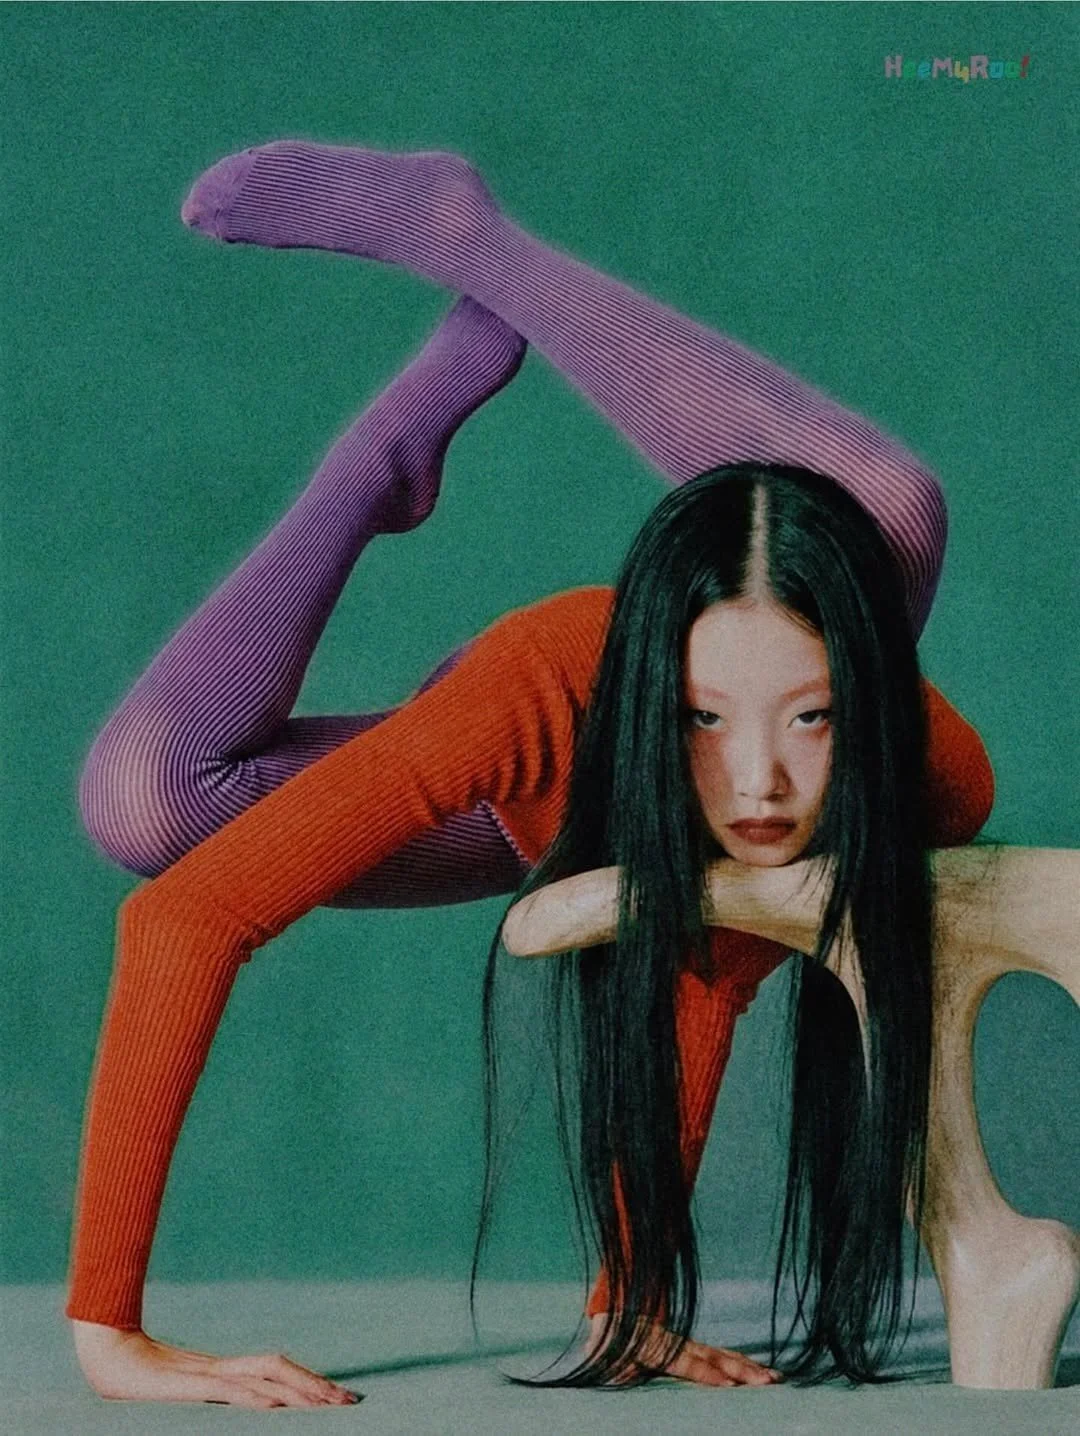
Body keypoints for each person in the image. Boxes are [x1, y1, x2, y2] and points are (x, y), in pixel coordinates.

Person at [68, 141, 994, 1408]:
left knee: (875, 520)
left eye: (815, 719)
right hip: (539, 769)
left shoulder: (937, 781)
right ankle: (401, 412)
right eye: (703, 719)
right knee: (889, 499)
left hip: (621, 789)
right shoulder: (544, 683)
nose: (762, 781)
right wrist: (108, 1327)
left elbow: (706, 972)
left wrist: (633, 1300)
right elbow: (184, 915)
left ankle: (779, 680)